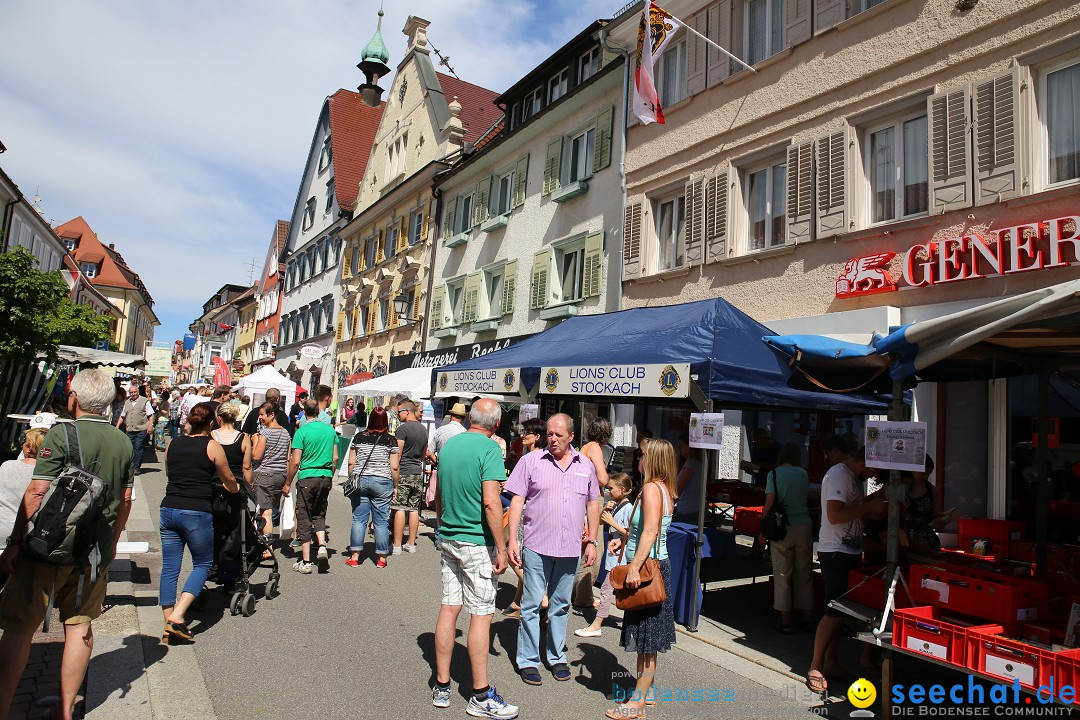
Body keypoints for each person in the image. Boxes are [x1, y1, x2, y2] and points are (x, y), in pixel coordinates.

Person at [0, 369, 134, 720]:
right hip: (94, 551)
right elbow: (125, 499)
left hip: (47, 545)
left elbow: (37, 490)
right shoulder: (122, 441)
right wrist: (114, 542)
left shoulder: (62, 433)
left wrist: (16, 541)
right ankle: (65, 709)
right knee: (79, 626)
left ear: (74, 398)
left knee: (19, 627)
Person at [430, 398, 518, 718]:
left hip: (449, 535)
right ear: (496, 424)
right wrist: (502, 546)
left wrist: (441, 526)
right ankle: (480, 695)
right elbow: (492, 503)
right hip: (475, 541)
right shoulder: (490, 448)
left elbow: (438, 493)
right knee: (481, 615)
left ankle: (442, 685)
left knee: (449, 607)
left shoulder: (450, 444)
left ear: (470, 418)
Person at [506, 413, 600, 686]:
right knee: (532, 604)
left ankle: (556, 656)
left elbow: (593, 503)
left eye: (559, 435)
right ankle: (528, 660)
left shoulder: (586, 465)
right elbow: (517, 500)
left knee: (561, 605)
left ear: (572, 436)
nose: (553, 439)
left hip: (570, 547)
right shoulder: (531, 461)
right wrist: (513, 539)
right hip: (537, 545)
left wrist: (592, 540)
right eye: (549, 434)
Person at [604, 438, 678, 719]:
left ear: (654, 459)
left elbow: (649, 532)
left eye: (643, 455)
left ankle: (636, 702)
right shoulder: (665, 488)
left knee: (647, 639)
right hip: (657, 564)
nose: (638, 459)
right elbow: (646, 532)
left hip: (648, 568)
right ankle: (645, 692)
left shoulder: (649, 488)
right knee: (649, 637)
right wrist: (624, 543)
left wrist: (634, 566)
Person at [806, 437, 885, 697]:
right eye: (872, 471)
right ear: (864, 462)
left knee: (839, 612)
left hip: (848, 549)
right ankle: (816, 666)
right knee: (832, 610)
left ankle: (830, 663)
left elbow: (853, 509)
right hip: (836, 551)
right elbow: (835, 515)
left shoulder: (852, 478)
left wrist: (871, 505)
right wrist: (868, 507)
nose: (873, 476)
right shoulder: (840, 475)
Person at [159, 403, 240, 642]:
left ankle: (167, 623)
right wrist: (235, 490)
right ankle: (178, 616)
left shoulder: (173, 443)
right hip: (196, 510)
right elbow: (228, 479)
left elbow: (169, 473)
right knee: (203, 563)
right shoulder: (211, 445)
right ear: (210, 424)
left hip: (168, 507)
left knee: (170, 567)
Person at [758, 442, 813, 634]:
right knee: (804, 574)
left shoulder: (774, 474)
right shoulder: (803, 474)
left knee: (782, 574)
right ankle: (806, 618)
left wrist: (762, 530)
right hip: (804, 525)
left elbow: (769, 502)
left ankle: (786, 621)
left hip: (782, 527)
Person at [575, 472, 633, 638]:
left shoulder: (628, 508)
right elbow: (601, 522)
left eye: (611, 488)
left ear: (622, 489)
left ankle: (597, 624)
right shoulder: (614, 505)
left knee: (607, 590)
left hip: (619, 556)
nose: (608, 492)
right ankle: (627, 624)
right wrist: (604, 514)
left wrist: (611, 521)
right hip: (613, 554)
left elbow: (630, 533)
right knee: (615, 590)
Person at [286, 399, 338, 574]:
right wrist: (330, 472)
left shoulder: (302, 431)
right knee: (320, 512)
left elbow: (295, 462)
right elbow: (335, 457)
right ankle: (322, 545)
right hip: (325, 475)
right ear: (318, 412)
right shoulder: (330, 430)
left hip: (307, 476)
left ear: (304, 413)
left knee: (304, 515)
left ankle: (306, 561)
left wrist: (287, 482)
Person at [501, 417, 546, 617]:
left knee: (512, 552)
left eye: (526, 433)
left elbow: (515, 488)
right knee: (524, 557)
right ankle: (518, 601)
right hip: (539, 512)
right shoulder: (547, 457)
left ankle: (539, 596)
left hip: (525, 510)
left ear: (536, 437)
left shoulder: (528, 459)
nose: (522, 435)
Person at [345, 407, 400, 568]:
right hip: (383, 482)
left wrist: (352, 478)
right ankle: (382, 558)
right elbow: (394, 467)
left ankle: (355, 556)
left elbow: (351, 463)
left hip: (361, 481)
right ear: (385, 422)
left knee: (359, 519)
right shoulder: (391, 440)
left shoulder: (359, 437)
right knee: (381, 521)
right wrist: (395, 485)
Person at [572, 418, 613, 609]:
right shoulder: (595, 448)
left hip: (581, 499)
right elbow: (602, 479)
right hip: (593, 500)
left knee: (583, 546)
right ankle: (584, 596)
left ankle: (576, 592)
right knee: (594, 546)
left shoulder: (584, 447)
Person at [211, 403, 253, 581]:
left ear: (218, 418)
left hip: (214, 486)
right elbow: (247, 466)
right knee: (235, 528)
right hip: (235, 486)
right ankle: (232, 567)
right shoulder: (243, 438)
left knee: (215, 526)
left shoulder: (211, 436)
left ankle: (214, 563)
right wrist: (249, 489)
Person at [392, 400, 433, 554]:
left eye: (400, 412)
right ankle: (411, 543)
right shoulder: (423, 430)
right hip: (417, 471)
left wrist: (394, 471)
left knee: (399, 508)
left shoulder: (403, 429)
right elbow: (424, 454)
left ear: (407, 411)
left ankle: (397, 545)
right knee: (414, 508)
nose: (399, 414)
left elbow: (398, 453)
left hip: (404, 471)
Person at [250, 402, 291, 544]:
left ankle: (267, 545)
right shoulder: (286, 433)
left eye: (262, 414)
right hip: (280, 475)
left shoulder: (264, 433)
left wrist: (255, 440)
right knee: (271, 508)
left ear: (271, 415)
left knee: (265, 510)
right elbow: (288, 457)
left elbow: (256, 456)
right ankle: (265, 537)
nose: (260, 417)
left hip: (265, 474)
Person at [0, 429, 47, 549]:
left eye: (24, 441)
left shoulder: (6, 466)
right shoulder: (47, 475)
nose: (22, 444)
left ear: (30, 447)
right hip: (28, 535)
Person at [120, 383, 155, 475]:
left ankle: (136, 467)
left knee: (138, 448)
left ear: (138, 392)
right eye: (131, 392)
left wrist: (150, 425)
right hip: (130, 429)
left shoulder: (144, 401)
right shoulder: (127, 402)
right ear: (129, 393)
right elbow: (122, 415)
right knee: (129, 449)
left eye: (135, 392)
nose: (133, 394)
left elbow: (150, 414)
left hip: (141, 429)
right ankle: (130, 466)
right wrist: (117, 426)